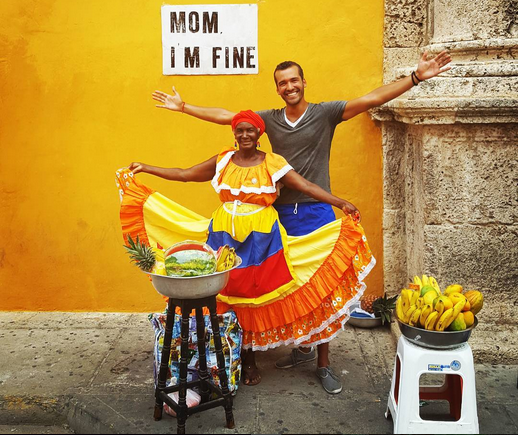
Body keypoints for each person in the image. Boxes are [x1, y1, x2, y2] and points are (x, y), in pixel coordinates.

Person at [151, 51, 452, 393]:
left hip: (316, 209)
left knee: (322, 287)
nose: (289, 86)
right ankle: (300, 347)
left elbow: (371, 98)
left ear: (304, 82)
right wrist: (185, 106)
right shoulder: (270, 119)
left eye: (294, 80)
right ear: (277, 89)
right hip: (276, 215)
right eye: (282, 83)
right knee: (279, 284)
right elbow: (228, 117)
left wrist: (415, 77)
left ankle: (322, 363)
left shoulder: (325, 113)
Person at [120, 110, 374, 391]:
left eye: (250, 130)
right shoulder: (223, 160)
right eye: (239, 130)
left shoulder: (272, 163)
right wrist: (148, 167)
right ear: (234, 133)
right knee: (231, 294)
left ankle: (290, 357)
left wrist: (340, 202)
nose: (244, 135)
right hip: (224, 236)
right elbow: (185, 174)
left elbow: (305, 185)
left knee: (255, 294)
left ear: (259, 134)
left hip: (262, 238)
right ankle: (247, 360)